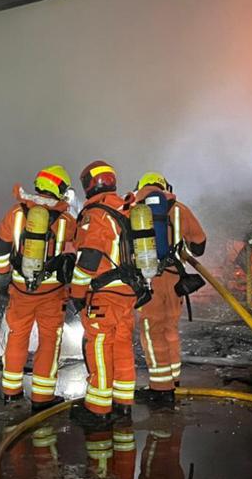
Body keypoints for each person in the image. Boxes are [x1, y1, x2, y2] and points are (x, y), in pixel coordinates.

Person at [0, 165, 77, 410]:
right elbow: (82, 242)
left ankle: (11, 391)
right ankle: (42, 397)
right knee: (49, 341)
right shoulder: (65, 220)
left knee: (17, 337)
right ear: (60, 189)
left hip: (20, 289)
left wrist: (3, 278)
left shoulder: (16, 213)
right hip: (52, 293)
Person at [68, 160, 145, 426]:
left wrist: (76, 293)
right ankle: (123, 404)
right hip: (128, 292)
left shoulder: (96, 214)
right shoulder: (126, 209)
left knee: (99, 346)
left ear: (89, 184)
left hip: (103, 294)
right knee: (123, 346)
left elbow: (89, 258)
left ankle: (98, 409)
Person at [129, 172, 208, 407]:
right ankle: (173, 380)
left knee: (152, 334)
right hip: (174, 280)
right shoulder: (179, 209)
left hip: (148, 280)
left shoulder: (133, 209)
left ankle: (160, 389)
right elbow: (200, 245)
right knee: (170, 329)